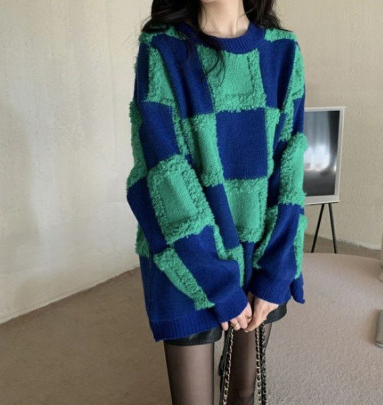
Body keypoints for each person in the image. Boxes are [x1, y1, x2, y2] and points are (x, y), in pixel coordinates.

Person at [125, 1, 307, 404]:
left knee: (244, 392)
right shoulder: (162, 49)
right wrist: (218, 282)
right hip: (186, 259)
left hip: (259, 254)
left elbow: (290, 170)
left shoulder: (282, 50)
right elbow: (163, 176)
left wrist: (276, 271)